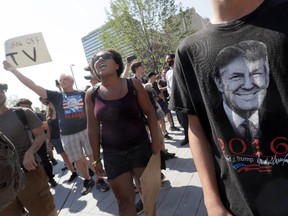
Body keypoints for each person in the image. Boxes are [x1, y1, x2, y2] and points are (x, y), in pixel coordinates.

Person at [169, 0, 288, 215]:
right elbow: (196, 126)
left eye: (256, 74)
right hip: (236, 205)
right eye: (235, 76)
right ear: (219, 83)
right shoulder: (189, 51)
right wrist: (211, 201)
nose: (248, 84)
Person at [3, 61, 110, 196]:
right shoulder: (57, 96)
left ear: (72, 81)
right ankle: (88, 180)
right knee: (77, 160)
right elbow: (33, 86)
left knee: (93, 157)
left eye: (65, 79)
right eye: (60, 80)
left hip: (85, 131)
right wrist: (14, 70)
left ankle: (100, 179)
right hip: (67, 135)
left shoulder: (84, 93)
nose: (62, 81)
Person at [85, 48, 161, 216]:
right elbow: (92, 128)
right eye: (95, 59)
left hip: (141, 147)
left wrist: (156, 144)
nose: (99, 60)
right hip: (113, 154)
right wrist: (96, 159)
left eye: (104, 57)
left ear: (117, 64)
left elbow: (150, 112)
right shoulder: (91, 94)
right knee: (124, 203)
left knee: (148, 198)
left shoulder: (132, 84)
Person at [0, 83, 57, 216]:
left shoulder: (23, 113)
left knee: (45, 212)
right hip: (3, 185)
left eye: (1, 89)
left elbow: (40, 135)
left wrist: (30, 153)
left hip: (29, 174)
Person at [15, 98, 58, 188]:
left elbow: (45, 127)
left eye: (28, 106)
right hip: (25, 145)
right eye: (23, 107)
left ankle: (51, 178)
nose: (26, 109)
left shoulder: (37, 115)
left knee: (44, 160)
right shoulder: (16, 118)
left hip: (38, 141)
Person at [40, 97, 78, 183]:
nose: (48, 104)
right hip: (55, 139)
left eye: (49, 102)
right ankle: (73, 172)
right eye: (47, 103)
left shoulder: (62, 111)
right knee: (65, 157)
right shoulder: (48, 114)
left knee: (74, 154)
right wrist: (49, 141)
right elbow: (49, 130)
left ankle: (87, 169)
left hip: (66, 136)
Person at [165, 54, 189, 146]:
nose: (168, 61)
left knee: (189, 118)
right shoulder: (168, 73)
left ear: (174, 58)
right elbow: (168, 86)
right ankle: (187, 136)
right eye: (167, 60)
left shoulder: (181, 68)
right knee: (181, 120)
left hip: (184, 97)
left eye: (169, 59)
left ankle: (192, 136)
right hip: (175, 99)